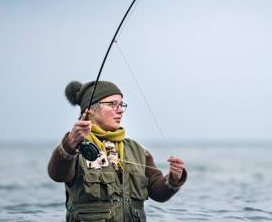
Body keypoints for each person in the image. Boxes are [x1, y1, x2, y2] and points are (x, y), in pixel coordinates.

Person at [48, 80, 187, 221]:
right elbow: (57, 175)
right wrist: (70, 144)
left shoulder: (138, 150)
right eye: (112, 104)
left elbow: (158, 193)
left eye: (121, 104)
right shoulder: (75, 147)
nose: (120, 109)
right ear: (90, 110)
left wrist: (173, 179)